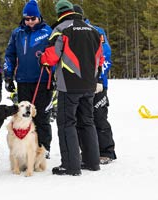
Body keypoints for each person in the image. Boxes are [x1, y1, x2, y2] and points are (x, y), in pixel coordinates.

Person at [40, 0, 104, 175]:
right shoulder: (93, 31)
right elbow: (101, 59)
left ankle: (70, 165)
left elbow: (51, 57)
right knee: (87, 122)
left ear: (59, 13)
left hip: (69, 85)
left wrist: (41, 58)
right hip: (89, 84)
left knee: (66, 124)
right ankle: (92, 162)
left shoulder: (61, 29)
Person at [3, 0, 53, 159]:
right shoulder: (18, 33)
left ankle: (44, 147)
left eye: (33, 18)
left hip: (43, 80)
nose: (30, 22)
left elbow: (55, 54)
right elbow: (10, 55)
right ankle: (24, 148)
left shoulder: (48, 31)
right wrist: (8, 76)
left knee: (41, 116)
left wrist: (54, 76)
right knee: (23, 116)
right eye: (27, 19)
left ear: (39, 17)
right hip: (23, 81)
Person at [73, 4, 117, 164]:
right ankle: (87, 151)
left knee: (99, 116)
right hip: (78, 85)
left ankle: (106, 151)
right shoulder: (69, 32)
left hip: (97, 83)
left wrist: (97, 78)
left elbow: (105, 56)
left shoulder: (96, 31)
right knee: (81, 118)